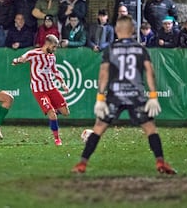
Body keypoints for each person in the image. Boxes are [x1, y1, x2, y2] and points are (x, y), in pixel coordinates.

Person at [71, 15, 177, 175]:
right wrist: (153, 96)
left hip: (115, 94)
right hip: (136, 94)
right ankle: (161, 162)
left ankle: (82, 164)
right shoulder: (140, 48)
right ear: (133, 30)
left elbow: (104, 73)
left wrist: (100, 97)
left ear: (116, 30)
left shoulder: (111, 48)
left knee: (99, 127)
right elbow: (150, 72)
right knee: (150, 128)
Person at [12, 34, 70, 146]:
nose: (55, 49)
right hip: (39, 90)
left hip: (51, 87)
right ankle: (57, 139)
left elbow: (55, 71)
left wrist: (63, 84)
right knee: (52, 114)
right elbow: (22, 58)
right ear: (47, 44)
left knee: (66, 112)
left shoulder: (52, 56)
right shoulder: (33, 53)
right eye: (53, 47)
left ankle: (52, 111)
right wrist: (17, 61)